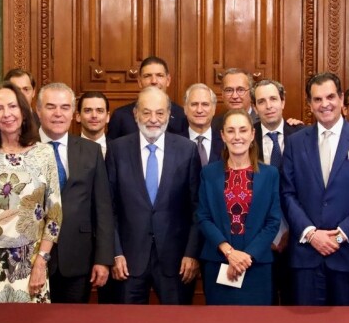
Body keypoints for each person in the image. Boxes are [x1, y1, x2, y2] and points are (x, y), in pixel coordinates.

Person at [282, 72, 349, 306]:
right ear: (310, 104)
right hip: (306, 254)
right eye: (317, 99)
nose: (325, 104)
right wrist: (311, 234)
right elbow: (287, 193)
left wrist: (340, 236)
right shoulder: (295, 142)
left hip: (348, 253)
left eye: (330, 97)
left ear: (341, 98)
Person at [0, 83, 62, 303]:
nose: (6, 114)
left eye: (12, 106)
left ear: (24, 112)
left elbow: (54, 216)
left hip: (30, 264)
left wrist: (41, 262)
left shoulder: (44, 153)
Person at [107, 86, 203, 304]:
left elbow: (197, 207)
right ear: (135, 114)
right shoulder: (117, 150)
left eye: (160, 113)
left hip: (176, 261)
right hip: (128, 261)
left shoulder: (187, 150)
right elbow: (108, 207)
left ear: (169, 114)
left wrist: (191, 253)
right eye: (146, 112)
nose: (153, 119)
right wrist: (115, 252)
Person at [195, 110, 282, 305]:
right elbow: (203, 217)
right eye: (231, 131)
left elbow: (273, 221)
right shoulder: (209, 173)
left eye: (243, 130)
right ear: (223, 135)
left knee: (255, 322)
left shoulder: (270, 174)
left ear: (252, 134)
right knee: (219, 322)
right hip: (218, 261)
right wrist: (229, 253)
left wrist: (246, 256)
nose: (237, 136)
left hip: (256, 263)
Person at [36, 83, 112, 303]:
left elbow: (103, 208)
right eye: (51, 107)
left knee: (72, 322)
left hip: (78, 258)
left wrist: (103, 259)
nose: (58, 113)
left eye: (65, 107)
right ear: (38, 111)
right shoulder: (23, 148)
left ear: (73, 113)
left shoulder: (91, 150)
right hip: (30, 257)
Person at [252, 79, 302, 304]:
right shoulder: (245, 138)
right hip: (258, 239)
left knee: (296, 307)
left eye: (273, 99)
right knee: (264, 308)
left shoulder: (302, 135)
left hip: (298, 238)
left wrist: (293, 229)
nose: (268, 105)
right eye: (261, 101)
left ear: (283, 102)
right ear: (255, 107)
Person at [106, 56, 190, 140]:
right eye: (147, 76)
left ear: (168, 80)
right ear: (139, 81)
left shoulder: (181, 115)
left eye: (159, 75)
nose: (154, 81)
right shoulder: (120, 116)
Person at [185, 83, 224, 166]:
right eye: (194, 104)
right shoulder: (174, 144)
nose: (199, 110)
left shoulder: (225, 141)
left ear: (214, 109)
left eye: (205, 104)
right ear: (185, 108)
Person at [76, 91, 110, 157]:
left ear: (107, 116)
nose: (94, 115)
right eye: (88, 110)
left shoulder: (119, 149)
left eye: (100, 111)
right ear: (78, 116)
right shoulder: (68, 149)